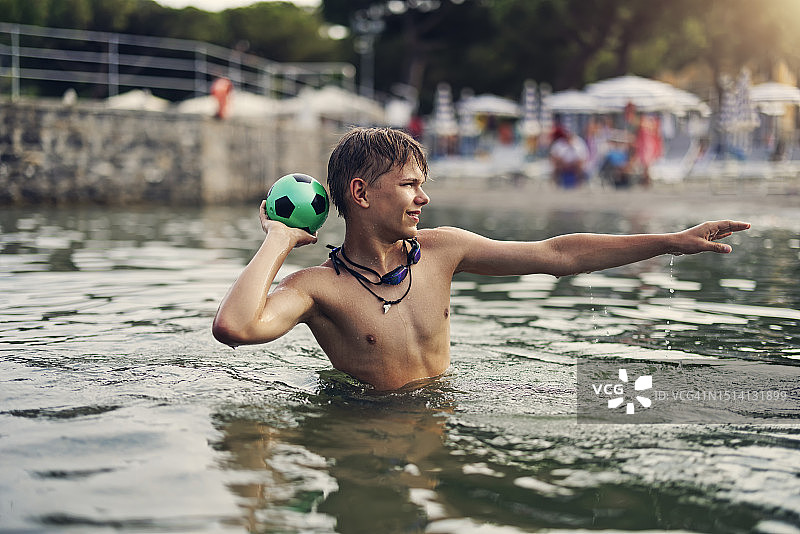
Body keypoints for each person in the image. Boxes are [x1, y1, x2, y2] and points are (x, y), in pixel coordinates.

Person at [213, 127, 750, 391]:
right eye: (409, 185)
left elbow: (556, 253)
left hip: (445, 415)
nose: (422, 198)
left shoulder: (443, 251)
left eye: (423, 185)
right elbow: (236, 327)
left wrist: (670, 241)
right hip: (363, 432)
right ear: (360, 191)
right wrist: (279, 240)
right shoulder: (317, 288)